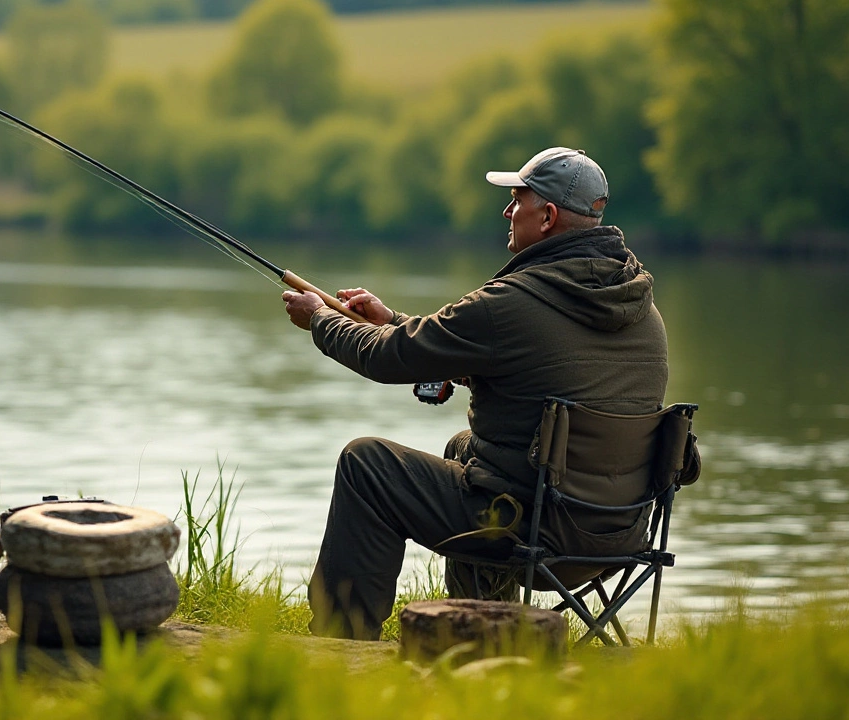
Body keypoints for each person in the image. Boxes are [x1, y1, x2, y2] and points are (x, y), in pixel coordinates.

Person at [280, 147, 670, 640]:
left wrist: (321, 320)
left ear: (547, 216)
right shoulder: (643, 311)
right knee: (463, 449)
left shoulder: (513, 302)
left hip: (530, 529)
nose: (507, 212)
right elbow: (537, 372)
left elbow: (386, 358)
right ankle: (484, 628)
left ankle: (340, 643)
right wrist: (393, 322)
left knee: (368, 465)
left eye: (516, 200)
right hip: (618, 534)